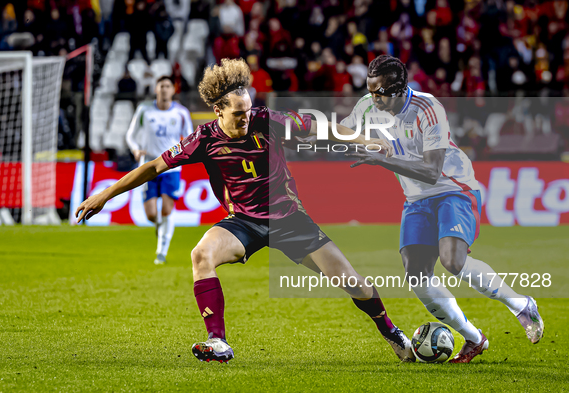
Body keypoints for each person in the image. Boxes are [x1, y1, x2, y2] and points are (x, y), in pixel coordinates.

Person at [78, 58, 415, 364]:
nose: (246, 117)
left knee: (353, 283)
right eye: (239, 113)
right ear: (218, 112)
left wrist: (365, 140)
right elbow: (153, 167)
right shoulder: (203, 139)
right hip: (243, 222)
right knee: (201, 254)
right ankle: (218, 341)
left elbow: (318, 127)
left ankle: (391, 332)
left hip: (290, 221)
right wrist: (105, 194)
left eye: (249, 110)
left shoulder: (268, 120)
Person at [342, 55, 544, 363]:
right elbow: (341, 131)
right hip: (415, 200)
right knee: (416, 275)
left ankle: (520, 304)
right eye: (370, 91)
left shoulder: (428, 108)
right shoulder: (369, 106)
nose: (373, 98)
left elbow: (431, 171)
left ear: (398, 89)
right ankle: (474, 340)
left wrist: (381, 158)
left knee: (453, 261)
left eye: (379, 92)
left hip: (452, 188)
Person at [126, 76, 193, 265]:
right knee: (150, 214)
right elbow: (130, 135)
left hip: (172, 167)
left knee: (166, 209)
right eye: (161, 86)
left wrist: (184, 152)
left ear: (173, 90)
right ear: (156, 89)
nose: (164, 89)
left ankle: (161, 251)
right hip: (148, 165)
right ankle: (161, 228)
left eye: (168, 86)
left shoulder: (181, 112)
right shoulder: (144, 110)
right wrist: (135, 149)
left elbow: (190, 137)